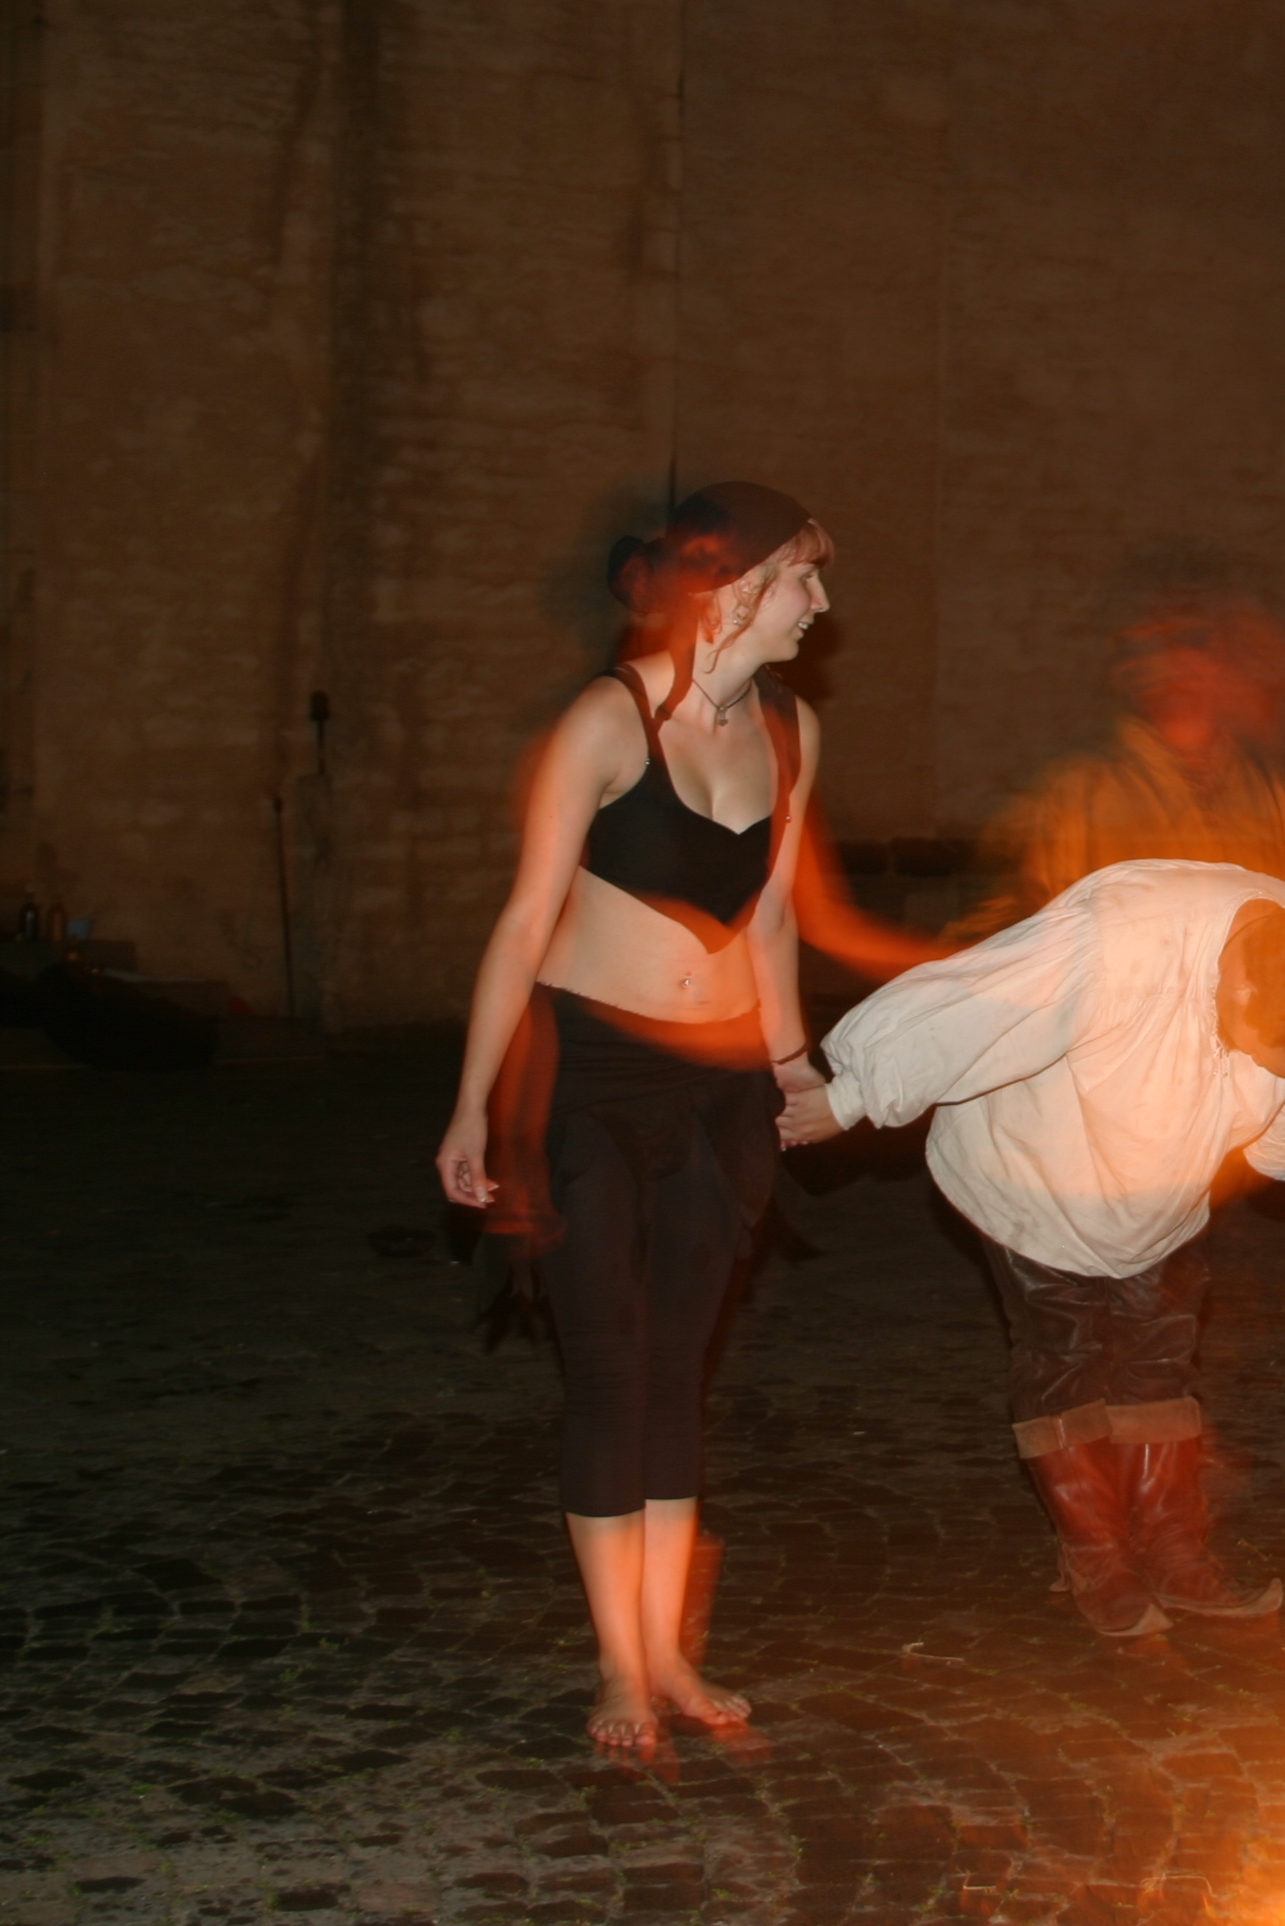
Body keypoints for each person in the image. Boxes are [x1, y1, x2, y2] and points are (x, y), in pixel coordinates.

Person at [435, 482, 832, 1752]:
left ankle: (669, 1651)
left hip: (720, 1089)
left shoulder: (792, 729)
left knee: (678, 1374)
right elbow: (522, 922)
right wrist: (468, 1107)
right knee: (609, 1373)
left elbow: (773, 918)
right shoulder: (606, 723)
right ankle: (619, 1665)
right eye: (804, 576)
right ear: (734, 588)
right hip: (593, 1084)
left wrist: (795, 1070)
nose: (821, 601)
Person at [778, 860, 1285, 1638]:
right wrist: (851, 1096)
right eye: (1264, 1053)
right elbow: (983, 999)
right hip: (1035, 1172)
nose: (1267, 1070)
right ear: (1241, 991)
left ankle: (1174, 1553)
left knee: (1158, 1358)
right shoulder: (1121, 934)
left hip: (1160, 1191)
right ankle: (1098, 1558)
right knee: (1064, 1356)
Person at [956, 591, 1285, 939]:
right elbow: (1017, 943)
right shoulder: (1073, 797)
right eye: (1140, 646)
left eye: (1190, 638)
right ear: (1119, 667)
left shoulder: (1276, 804)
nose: (1168, 661)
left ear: (1220, 655)